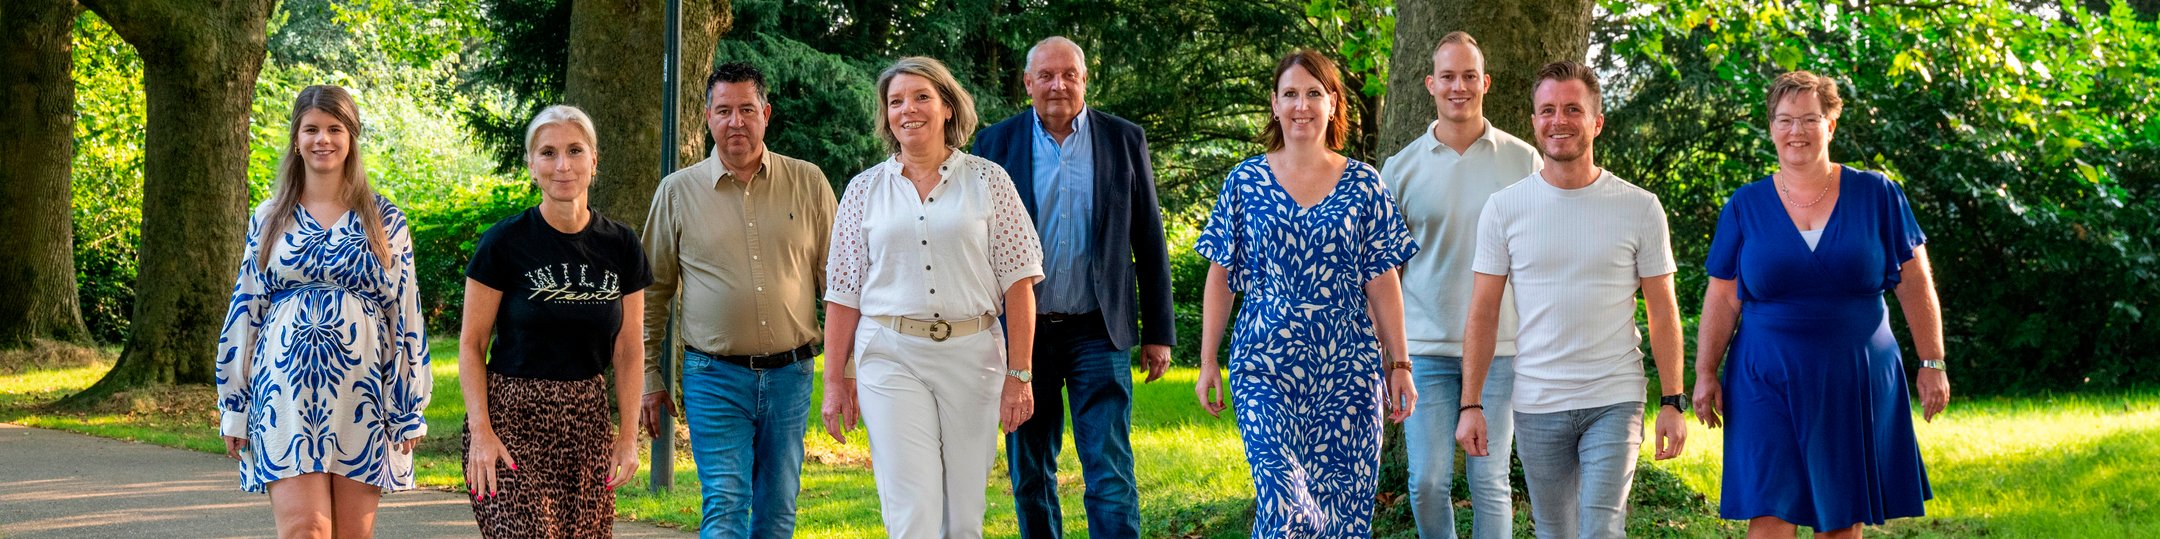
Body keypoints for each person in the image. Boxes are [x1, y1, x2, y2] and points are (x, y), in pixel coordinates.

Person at [1692, 70, 1948, 539]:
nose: (1797, 132)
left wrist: (1932, 360)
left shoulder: (1877, 194)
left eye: (1810, 119)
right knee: (1769, 507)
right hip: (1763, 376)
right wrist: (1705, 373)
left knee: (1839, 512)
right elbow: (1723, 296)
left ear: (1831, 125)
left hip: (1853, 374)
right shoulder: (1744, 205)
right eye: (1785, 120)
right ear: (1771, 128)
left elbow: (1913, 281)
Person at [1453, 60, 1687, 539]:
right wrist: (1470, 404)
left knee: (1601, 529)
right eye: (1548, 110)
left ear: (1597, 122)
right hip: (1537, 401)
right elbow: (1482, 312)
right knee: (1554, 531)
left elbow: (1663, 313)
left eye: (1573, 109)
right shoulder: (1504, 208)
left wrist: (1672, 400)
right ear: (1535, 121)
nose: (1559, 120)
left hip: (1614, 397)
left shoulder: (1639, 207)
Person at [1193, 49, 1419, 538]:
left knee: (1343, 518)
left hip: (1348, 373)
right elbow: (1220, 274)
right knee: (1284, 505)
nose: (1302, 105)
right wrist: (1209, 359)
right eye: (1290, 94)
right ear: (1274, 105)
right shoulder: (1244, 182)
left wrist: (1399, 365)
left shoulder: (1364, 184)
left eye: (1314, 93)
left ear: (1333, 104)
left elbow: (1383, 280)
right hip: (1265, 368)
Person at [819, 56, 1045, 539]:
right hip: (889, 354)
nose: (908, 109)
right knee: (912, 514)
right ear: (886, 115)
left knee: (963, 517)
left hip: (974, 356)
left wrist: (1019, 375)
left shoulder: (988, 180)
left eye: (922, 97)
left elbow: (1020, 283)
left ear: (947, 107)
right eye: (896, 101)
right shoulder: (863, 190)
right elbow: (842, 294)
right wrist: (835, 380)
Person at [970, 36, 1175, 539]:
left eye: (1068, 74)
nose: (1058, 84)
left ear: (1085, 79)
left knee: (1109, 471)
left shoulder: (1124, 139)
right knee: (1030, 472)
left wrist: (1159, 333)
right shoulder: (994, 145)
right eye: (1046, 75)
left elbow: (1149, 239)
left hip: (1098, 331)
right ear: (1028, 83)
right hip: (1023, 335)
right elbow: (974, 248)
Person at [215, 84, 431, 539]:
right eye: (311, 129)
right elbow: (245, 309)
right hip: (284, 395)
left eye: (335, 129)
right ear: (296, 138)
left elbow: (406, 314)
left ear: (351, 138)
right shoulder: (270, 216)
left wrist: (408, 405)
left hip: (363, 394)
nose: (322, 139)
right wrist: (233, 406)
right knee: (305, 529)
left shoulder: (383, 218)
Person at [638, 62, 836, 539]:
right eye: (724, 110)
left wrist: (846, 369)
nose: (736, 122)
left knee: (778, 507)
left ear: (766, 113)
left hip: (792, 374)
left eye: (747, 109)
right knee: (725, 503)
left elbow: (842, 283)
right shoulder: (677, 192)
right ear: (707, 117)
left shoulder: (808, 182)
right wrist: (649, 373)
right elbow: (652, 291)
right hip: (714, 376)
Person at [457, 105, 651, 538]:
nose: (562, 165)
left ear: (594, 160)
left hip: (586, 422)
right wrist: (481, 431)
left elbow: (628, 349)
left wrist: (627, 436)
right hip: (509, 421)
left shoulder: (621, 245)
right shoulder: (503, 243)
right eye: (548, 153)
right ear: (531, 164)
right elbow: (471, 345)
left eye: (574, 150)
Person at [1378, 32, 1540, 539]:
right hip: (1423, 349)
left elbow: (1539, 262)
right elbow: (1387, 275)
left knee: (1489, 479)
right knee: (1426, 482)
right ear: (1430, 84)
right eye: (1448, 76)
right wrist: (1391, 354)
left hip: (1501, 350)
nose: (1459, 87)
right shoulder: (1399, 169)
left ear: (1485, 83)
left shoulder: (1524, 162)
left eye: (1469, 76)